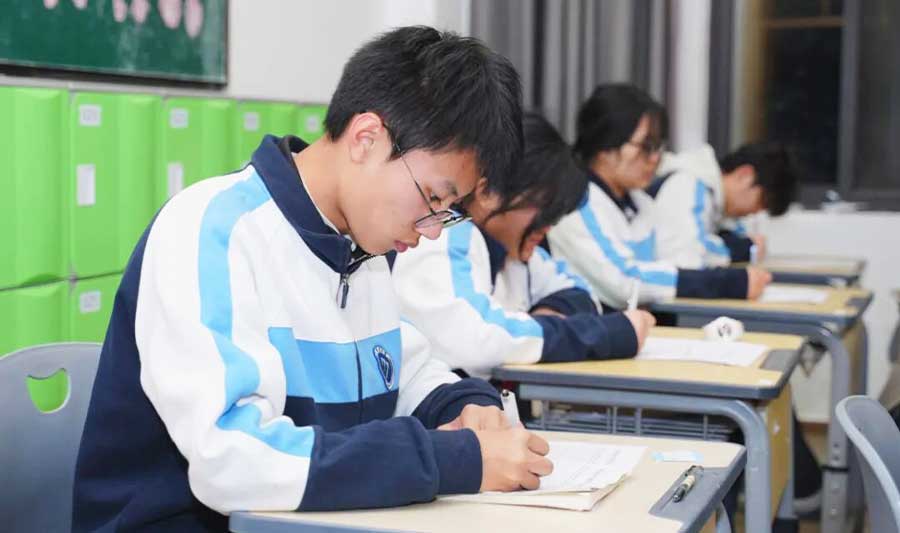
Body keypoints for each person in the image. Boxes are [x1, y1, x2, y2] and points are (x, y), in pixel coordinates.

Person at [72, 26, 553, 532]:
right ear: (366, 139)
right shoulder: (212, 230)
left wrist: (466, 405)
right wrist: (451, 460)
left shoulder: (358, 250)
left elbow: (405, 371)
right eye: (433, 197)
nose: (432, 229)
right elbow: (232, 460)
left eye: (448, 210)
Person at [392, 112, 655, 379]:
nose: (549, 226)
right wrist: (608, 335)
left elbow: (581, 292)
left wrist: (547, 316)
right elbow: (477, 339)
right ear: (488, 192)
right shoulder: (444, 237)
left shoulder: (514, 252)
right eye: (544, 209)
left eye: (556, 217)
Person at [547, 84, 771, 309]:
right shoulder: (575, 203)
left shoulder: (639, 202)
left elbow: (681, 256)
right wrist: (727, 284)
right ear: (605, 146)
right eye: (646, 147)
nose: (655, 159)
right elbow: (624, 281)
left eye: (659, 147)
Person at [650, 141, 799, 268]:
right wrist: (744, 249)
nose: (756, 212)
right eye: (761, 202)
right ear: (745, 175)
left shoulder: (718, 204)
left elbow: (736, 236)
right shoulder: (688, 185)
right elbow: (687, 254)